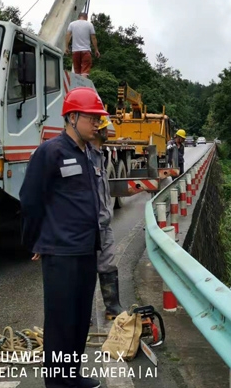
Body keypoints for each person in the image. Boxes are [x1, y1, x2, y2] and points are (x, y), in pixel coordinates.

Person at [19, 87, 108, 388]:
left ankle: (71, 375)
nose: (97, 124)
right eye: (91, 118)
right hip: (60, 252)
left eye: (98, 118)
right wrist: (34, 241)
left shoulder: (88, 153)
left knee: (80, 319)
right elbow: (30, 200)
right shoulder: (51, 152)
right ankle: (57, 383)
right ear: (71, 117)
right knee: (60, 322)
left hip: (85, 248)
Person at [89, 116, 126, 321]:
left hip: (104, 223)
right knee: (85, 272)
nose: (108, 132)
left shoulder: (100, 155)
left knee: (108, 265)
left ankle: (113, 307)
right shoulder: (86, 156)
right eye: (105, 128)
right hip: (91, 226)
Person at [65, 13, 100, 77]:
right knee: (85, 72)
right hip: (86, 51)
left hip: (75, 51)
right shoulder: (89, 25)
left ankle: (77, 85)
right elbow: (93, 38)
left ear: (78, 17)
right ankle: (83, 85)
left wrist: (66, 47)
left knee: (77, 73)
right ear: (86, 17)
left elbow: (68, 35)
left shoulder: (72, 24)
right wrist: (96, 50)